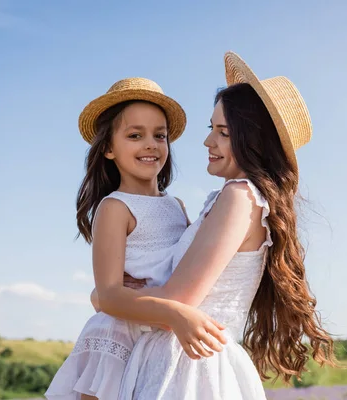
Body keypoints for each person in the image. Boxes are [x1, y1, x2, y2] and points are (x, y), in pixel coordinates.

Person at [94, 51, 337, 399]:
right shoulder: (235, 199)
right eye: (212, 128)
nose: (208, 141)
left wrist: (110, 297)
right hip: (192, 360)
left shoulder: (239, 198)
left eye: (223, 132)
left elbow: (178, 301)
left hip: (187, 367)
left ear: (253, 140)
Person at [45, 77, 227, 400]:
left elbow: (181, 265)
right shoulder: (115, 207)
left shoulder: (176, 206)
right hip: (121, 334)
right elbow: (110, 294)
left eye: (160, 135)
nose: (150, 145)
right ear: (109, 149)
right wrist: (172, 312)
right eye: (135, 135)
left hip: (161, 336)